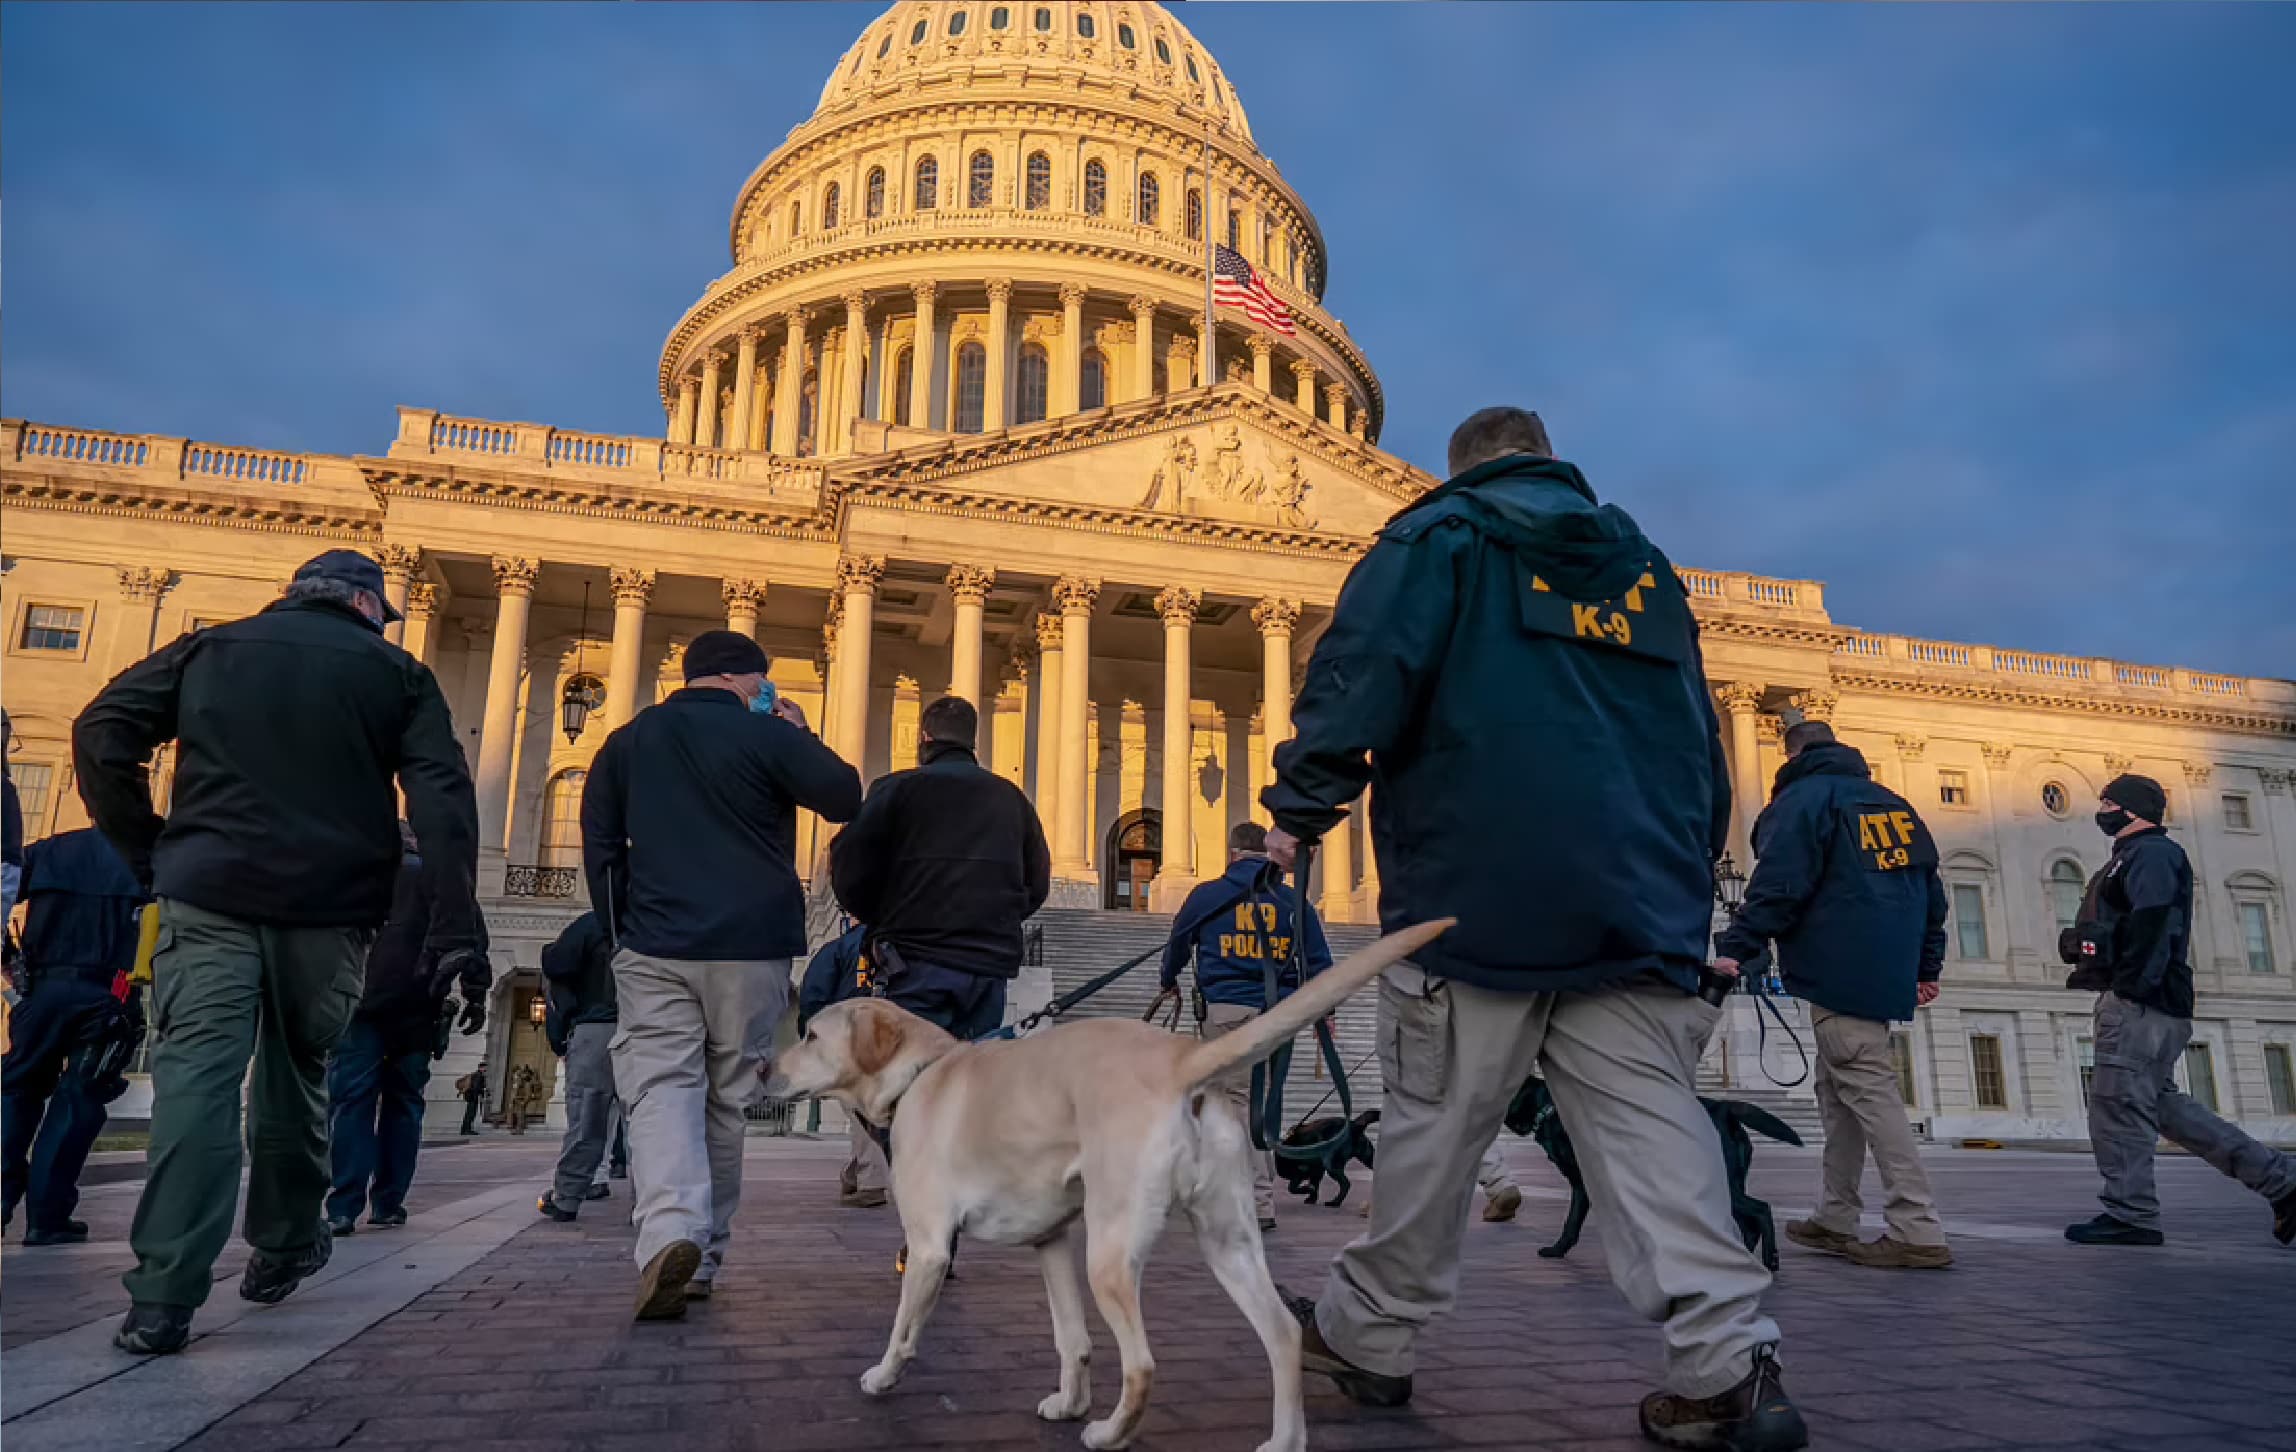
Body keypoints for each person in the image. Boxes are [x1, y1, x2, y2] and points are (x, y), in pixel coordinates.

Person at [1262, 408, 1804, 1450]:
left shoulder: (1434, 539)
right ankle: (1732, 1365)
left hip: (1480, 888)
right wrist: (1683, 876)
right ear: (1550, 463)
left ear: (1460, 468)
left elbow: (1359, 676)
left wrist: (1298, 812)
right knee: (1656, 1134)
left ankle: (1371, 1337)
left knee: (1434, 1126)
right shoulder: (1646, 572)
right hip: (1634, 902)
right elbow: (1699, 745)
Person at [73, 548, 483, 1356]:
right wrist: (456, 925)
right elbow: (444, 803)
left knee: (197, 1081)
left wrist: (147, 846)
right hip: (330, 907)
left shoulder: (210, 649)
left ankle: (163, 1297)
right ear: (367, 606)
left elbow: (100, 732)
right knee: (299, 1071)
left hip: (209, 893)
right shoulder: (397, 673)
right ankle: (287, 1242)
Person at [583, 629, 861, 1319]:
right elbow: (844, 796)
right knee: (725, 1101)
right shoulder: (768, 734)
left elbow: (601, 846)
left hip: (656, 941)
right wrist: (798, 732)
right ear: (746, 679)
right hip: (751, 944)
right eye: (763, 681)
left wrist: (619, 932)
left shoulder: (628, 741)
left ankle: (669, 1233)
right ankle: (702, 1258)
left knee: (660, 1087)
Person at [1712, 720, 1952, 1270]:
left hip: (1838, 964)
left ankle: (1916, 1226)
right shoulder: (1893, 806)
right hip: (1885, 966)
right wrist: (1926, 966)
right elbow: (1931, 893)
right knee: (1837, 1091)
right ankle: (1836, 1215)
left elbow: (1779, 884)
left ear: (1791, 756)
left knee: (1868, 1090)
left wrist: (1739, 947)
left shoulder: (1802, 802)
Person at [2063, 773, 2296, 1248]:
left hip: (2141, 1001)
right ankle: (2282, 1182)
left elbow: (2154, 923)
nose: (2101, 810)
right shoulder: (2133, 856)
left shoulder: (2152, 854)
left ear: (2130, 810)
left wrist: (2132, 988)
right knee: (2163, 1108)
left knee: (2117, 1107)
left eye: (2107, 802)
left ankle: (2131, 1214)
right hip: (2144, 997)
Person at [830, 695, 1051, 1042]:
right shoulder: (1012, 799)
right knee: (975, 1067)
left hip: (915, 958)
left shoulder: (895, 789)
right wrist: (995, 921)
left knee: (912, 1065)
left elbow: (847, 866)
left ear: (925, 738)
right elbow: (1037, 882)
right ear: (972, 741)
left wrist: (884, 919)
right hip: (986, 966)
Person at [1159, 821, 1333, 1231]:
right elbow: (1319, 961)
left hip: (1228, 1011)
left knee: (1236, 1103)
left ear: (1232, 853)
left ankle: (1255, 1201)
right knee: (1261, 1102)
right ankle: (1245, 1192)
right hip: (1279, 1013)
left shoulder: (1209, 895)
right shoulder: (1292, 900)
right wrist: (1325, 1012)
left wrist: (1168, 980)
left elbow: (1178, 943)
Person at [326, 823, 490, 1237]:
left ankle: (343, 1205)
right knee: (404, 1104)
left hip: (362, 1002)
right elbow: (471, 937)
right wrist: (475, 995)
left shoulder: (361, 874)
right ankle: (388, 1203)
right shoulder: (441, 882)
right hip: (420, 1005)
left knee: (352, 1103)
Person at [2, 828, 149, 1244]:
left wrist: (8, 958)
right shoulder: (148, 854)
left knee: (16, 1092)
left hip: (41, 992)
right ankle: (46, 1217)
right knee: (78, 1100)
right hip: (109, 995)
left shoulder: (47, 852)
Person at [538, 909, 620, 1223]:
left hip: (596, 1025)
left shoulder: (593, 922)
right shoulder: (658, 916)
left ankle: (568, 1196)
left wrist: (560, 1036)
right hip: (651, 1029)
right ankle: (654, 1204)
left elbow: (557, 967)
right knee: (651, 1121)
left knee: (586, 1117)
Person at [799, 920, 885, 1208]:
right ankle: (856, 1172)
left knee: (861, 1108)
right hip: (892, 1033)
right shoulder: (902, 944)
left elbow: (814, 996)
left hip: (848, 1035)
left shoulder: (838, 948)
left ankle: (871, 1180)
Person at [506, 1064, 541, 1135]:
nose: (516, 1075)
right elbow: (514, 1091)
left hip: (520, 1099)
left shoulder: (525, 1082)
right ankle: (515, 1128)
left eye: (518, 1073)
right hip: (516, 1099)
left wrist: (524, 1101)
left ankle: (519, 1129)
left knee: (520, 1115)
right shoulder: (516, 1081)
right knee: (516, 1114)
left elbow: (528, 1093)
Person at [458, 1062, 489, 1136]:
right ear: (481, 1068)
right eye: (485, 1067)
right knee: (470, 1114)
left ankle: (465, 1129)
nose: (486, 1069)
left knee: (469, 1114)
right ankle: (466, 1130)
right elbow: (476, 1087)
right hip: (473, 1097)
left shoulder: (475, 1074)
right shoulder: (479, 1075)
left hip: (471, 1096)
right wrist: (483, 1090)